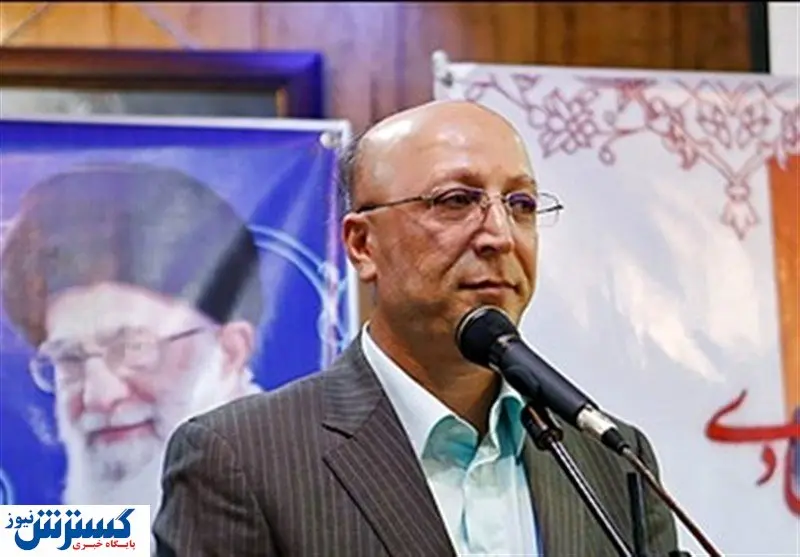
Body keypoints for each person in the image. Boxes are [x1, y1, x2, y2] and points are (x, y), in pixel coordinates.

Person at [152, 100, 680, 556]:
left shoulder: (609, 456)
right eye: (456, 201)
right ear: (362, 245)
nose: (499, 235)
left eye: (520, 204)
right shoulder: (240, 458)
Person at [0, 161, 264, 520]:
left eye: (132, 349)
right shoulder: (54, 535)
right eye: (70, 359)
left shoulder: (299, 503)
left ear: (230, 351)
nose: (99, 396)